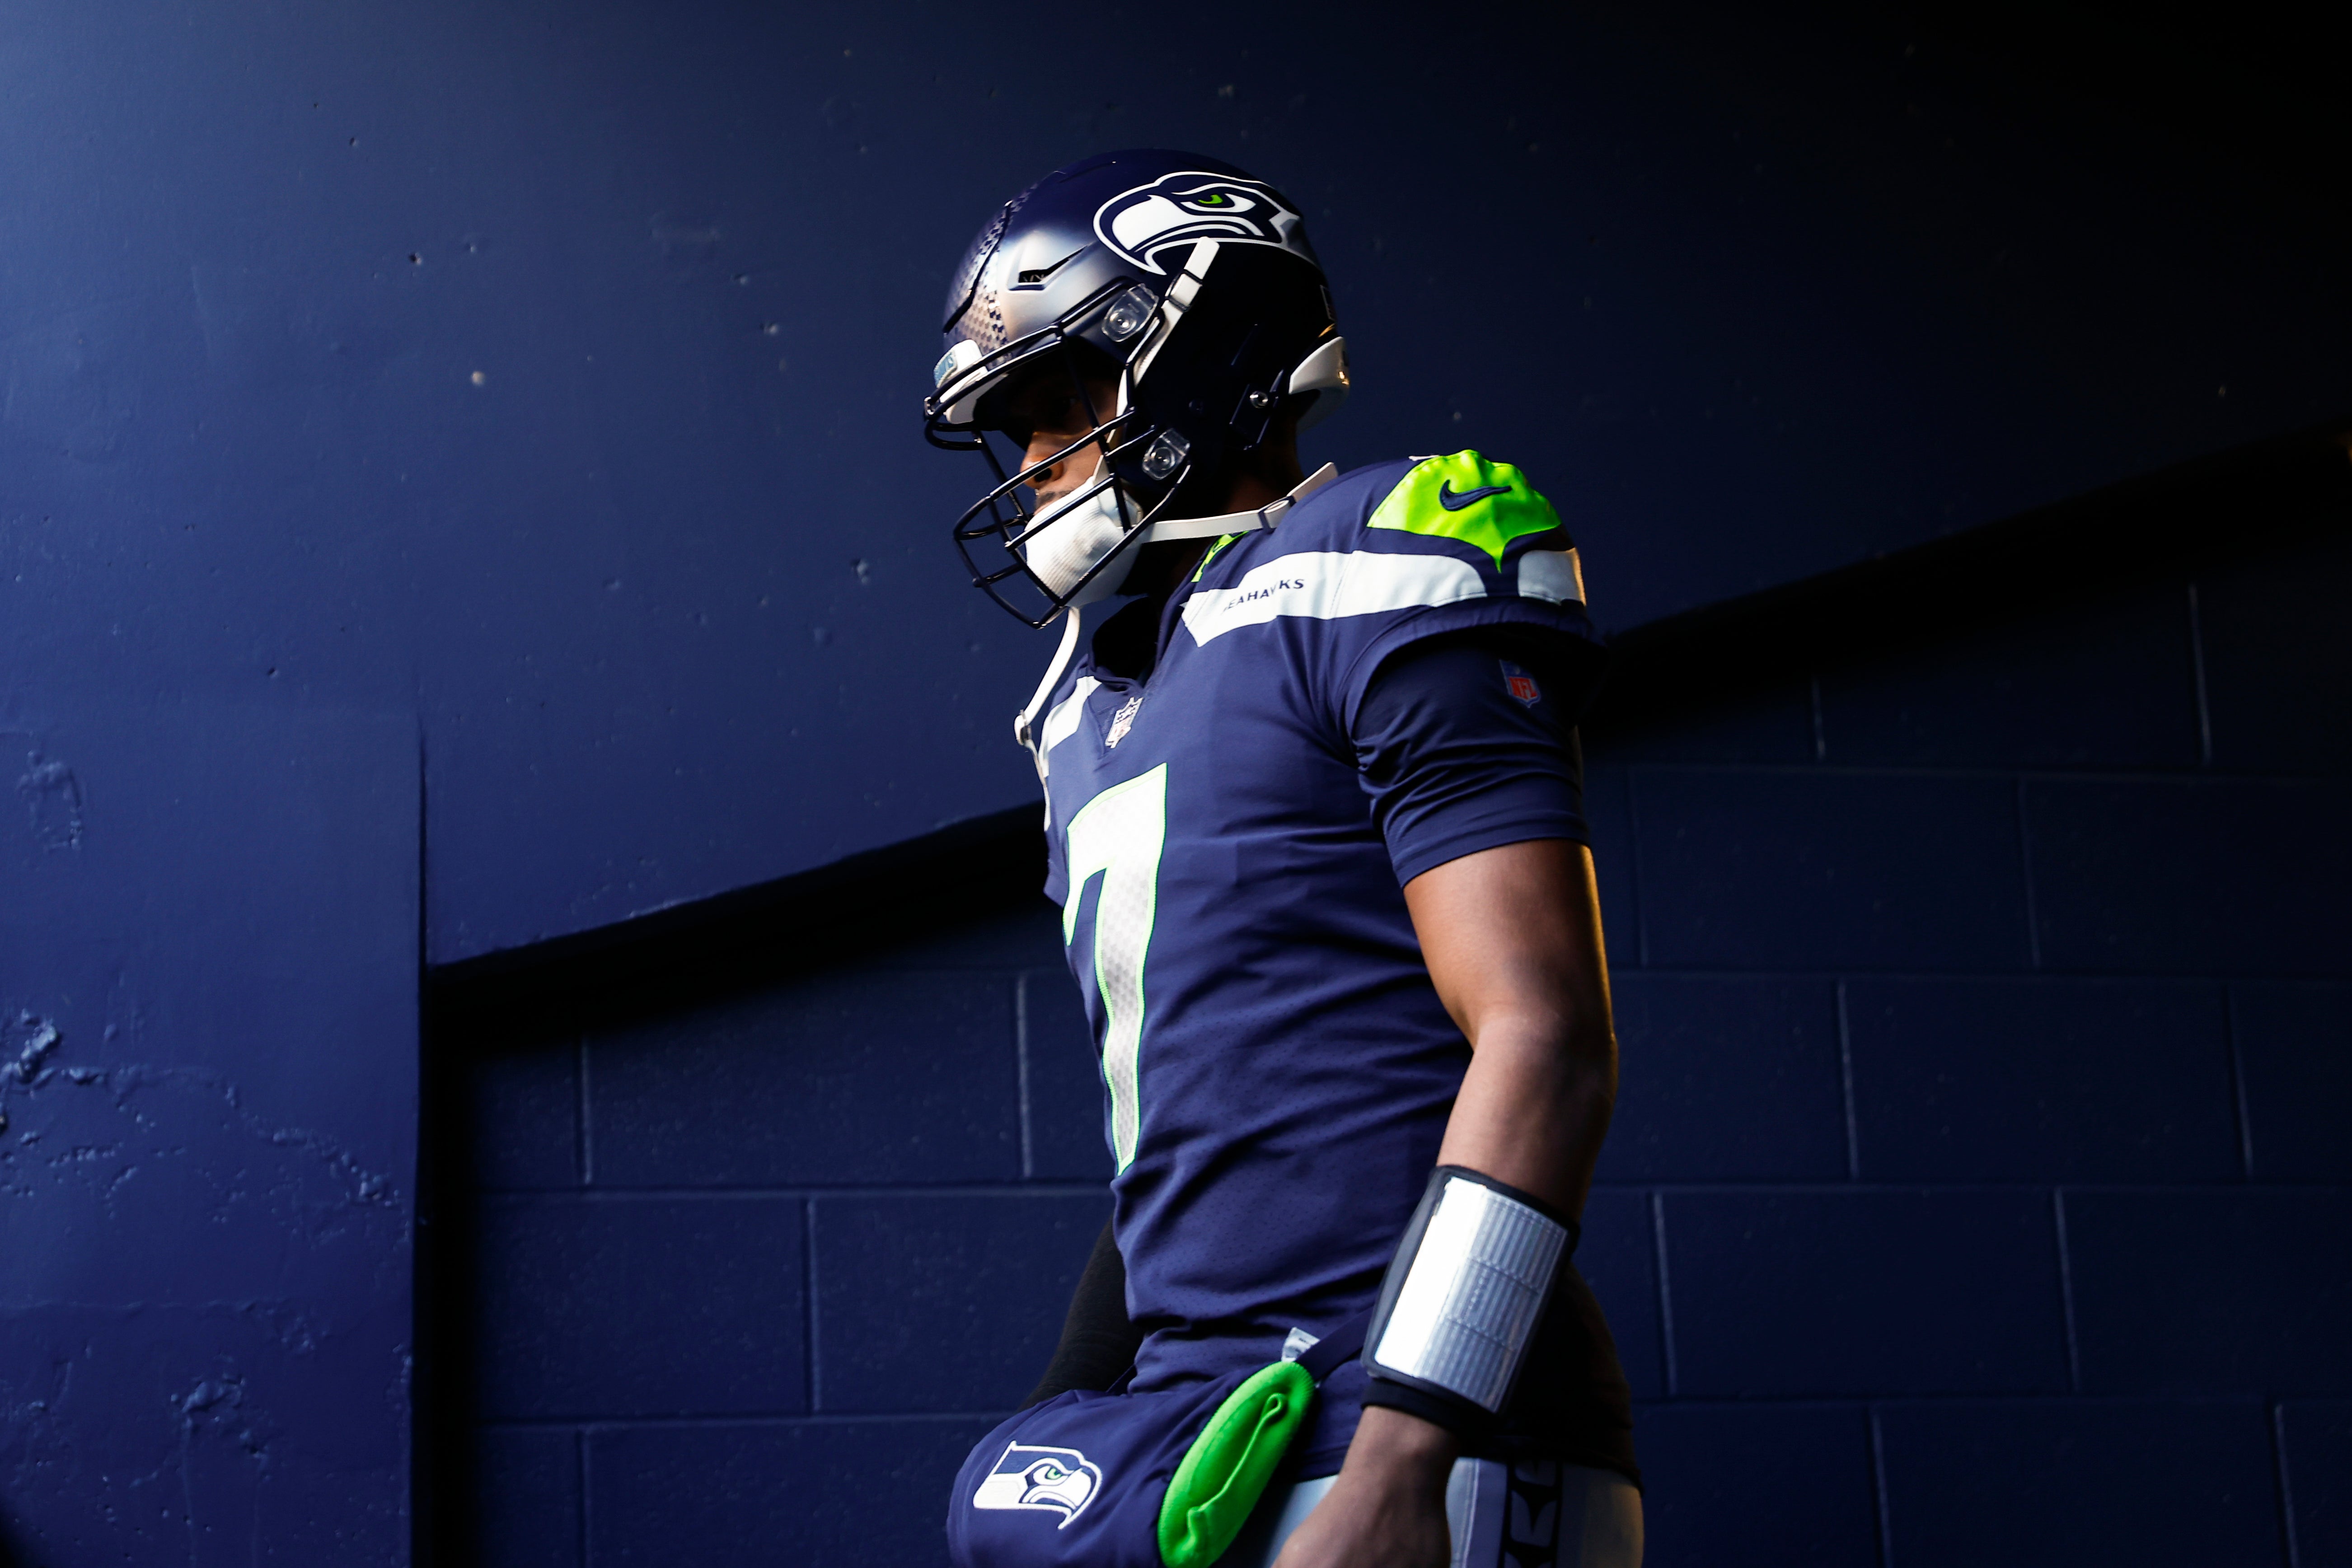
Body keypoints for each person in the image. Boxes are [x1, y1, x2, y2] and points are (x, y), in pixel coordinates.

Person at [925, 149, 1640, 1568]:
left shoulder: (1388, 558)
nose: (1032, 465)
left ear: (1193, 350)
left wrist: (1402, 1463)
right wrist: (1073, 1421)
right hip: (1210, 1424)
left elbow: (1547, 1038)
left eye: (1053, 406)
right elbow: (1182, 1149)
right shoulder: (1079, 705)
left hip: (1419, 1428)